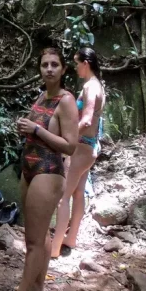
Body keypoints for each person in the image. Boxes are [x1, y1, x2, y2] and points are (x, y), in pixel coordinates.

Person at [0, 48, 78, 291]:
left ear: (64, 70)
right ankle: (38, 287)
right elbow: (35, 131)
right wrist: (26, 127)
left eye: (55, 64)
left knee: (32, 241)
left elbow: (70, 146)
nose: (49, 69)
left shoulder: (66, 101)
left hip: (49, 170)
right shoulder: (42, 95)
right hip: (29, 169)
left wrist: (36, 129)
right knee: (40, 234)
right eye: (45, 64)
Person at [50, 48, 105, 258]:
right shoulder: (98, 85)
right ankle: (70, 239)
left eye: (76, 63)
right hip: (89, 149)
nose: (75, 67)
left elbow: (87, 119)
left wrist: (67, 138)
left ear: (86, 63)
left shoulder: (91, 87)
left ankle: (54, 249)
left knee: (63, 198)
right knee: (78, 193)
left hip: (81, 148)